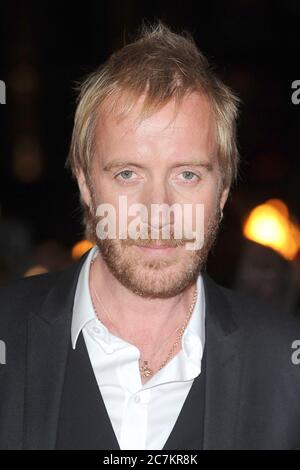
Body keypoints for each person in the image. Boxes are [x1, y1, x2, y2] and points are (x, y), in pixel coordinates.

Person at [0, 21, 299, 450]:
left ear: (223, 192)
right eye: (127, 173)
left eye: (188, 175)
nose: (158, 211)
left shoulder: (287, 367)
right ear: (86, 184)